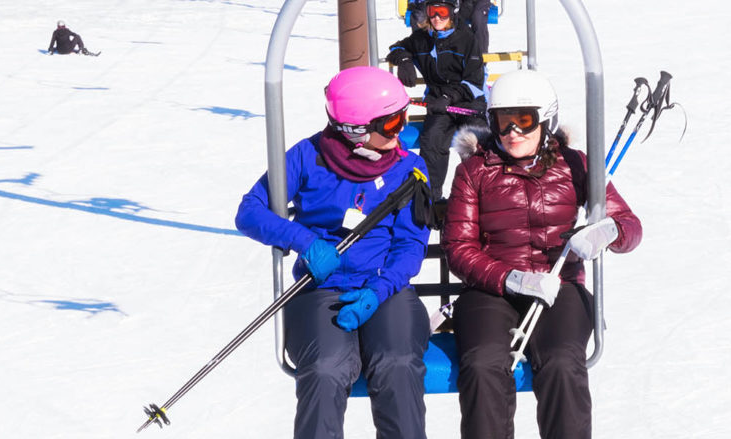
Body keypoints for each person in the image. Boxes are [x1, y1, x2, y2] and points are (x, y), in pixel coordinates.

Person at [442, 69, 643, 439]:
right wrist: (511, 278)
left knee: (562, 364)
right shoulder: (475, 171)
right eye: (503, 122)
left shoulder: (575, 165)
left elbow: (630, 225)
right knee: (483, 364)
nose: (513, 132)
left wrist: (608, 232)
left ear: (545, 120)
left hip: (559, 287)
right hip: (492, 290)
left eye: (524, 120)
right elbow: (458, 248)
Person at [234, 66, 432, 439]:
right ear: (355, 129)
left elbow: (410, 243)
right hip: (321, 288)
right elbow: (250, 212)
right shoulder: (307, 157)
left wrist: (382, 288)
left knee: (397, 363)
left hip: (385, 289)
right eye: (391, 124)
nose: (402, 131)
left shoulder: (409, 168)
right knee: (326, 368)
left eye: (403, 118)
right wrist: (304, 241)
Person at [387, 0, 487, 201]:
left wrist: (448, 97)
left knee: (478, 143)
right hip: (440, 106)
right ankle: (431, 200)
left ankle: (482, 194)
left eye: (442, 12)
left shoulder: (467, 39)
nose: (437, 18)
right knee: (432, 139)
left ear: (451, 12)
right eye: (432, 12)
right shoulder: (422, 39)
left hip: (468, 104)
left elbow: (475, 81)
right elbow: (397, 48)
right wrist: (405, 60)